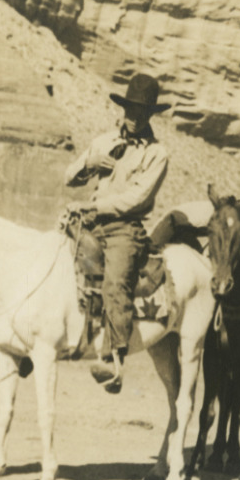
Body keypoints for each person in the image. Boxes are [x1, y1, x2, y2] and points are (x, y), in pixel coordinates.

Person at [64, 73, 171, 394]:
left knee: (115, 280)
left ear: (150, 115)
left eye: (141, 112)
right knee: (54, 257)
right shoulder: (103, 142)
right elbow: (70, 177)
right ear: (122, 109)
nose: (133, 118)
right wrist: (90, 164)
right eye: (130, 110)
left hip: (125, 226)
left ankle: (115, 357)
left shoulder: (156, 154)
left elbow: (137, 198)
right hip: (91, 218)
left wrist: (95, 209)